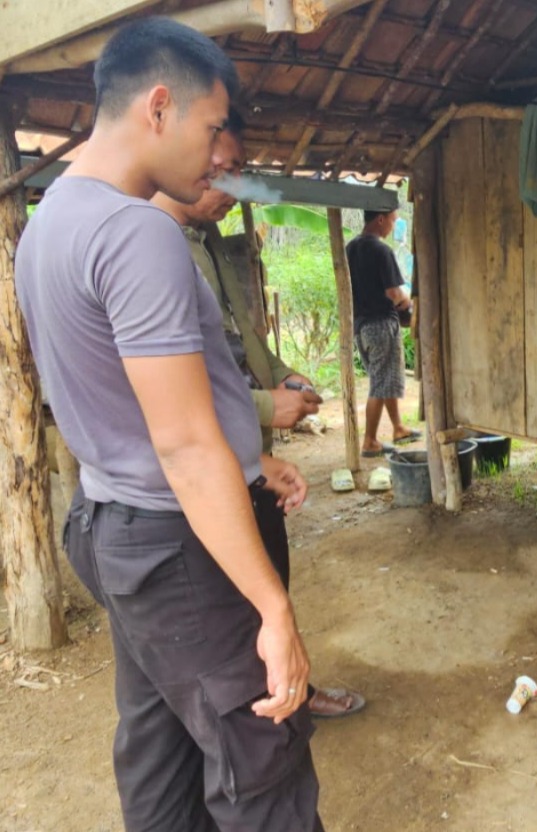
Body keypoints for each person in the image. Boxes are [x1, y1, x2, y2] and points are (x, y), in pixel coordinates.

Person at [15, 18, 323, 831]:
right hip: (176, 546)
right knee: (262, 763)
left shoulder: (47, 224)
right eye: (218, 127)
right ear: (160, 106)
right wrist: (273, 609)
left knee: (158, 749)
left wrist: (252, 457)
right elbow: (183, 446)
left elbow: (120, 401)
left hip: (112, 526)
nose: (223, 153)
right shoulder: (136, 231)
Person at [151, 111, 365, 720]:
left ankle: (288, 687)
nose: (237, 188)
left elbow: (235, 342)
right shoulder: (154, 247)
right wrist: (270, 408)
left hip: (247, 460)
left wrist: (278, 374)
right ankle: (270, 708)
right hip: (212, 470)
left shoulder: (206, 243)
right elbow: (175, 399)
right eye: (230, 172)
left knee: (270, 579)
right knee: (244, 600)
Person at [345, 209, 419, 455]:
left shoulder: (350, 248)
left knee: (383, 376)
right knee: (380, 382)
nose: (393, 224)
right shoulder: (381, 250)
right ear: (380, 219)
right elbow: (394, 294)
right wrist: (410, 304)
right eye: (392, 219)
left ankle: (398, 427)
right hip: (381, 325)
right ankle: (369, 441)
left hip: (361, 325)